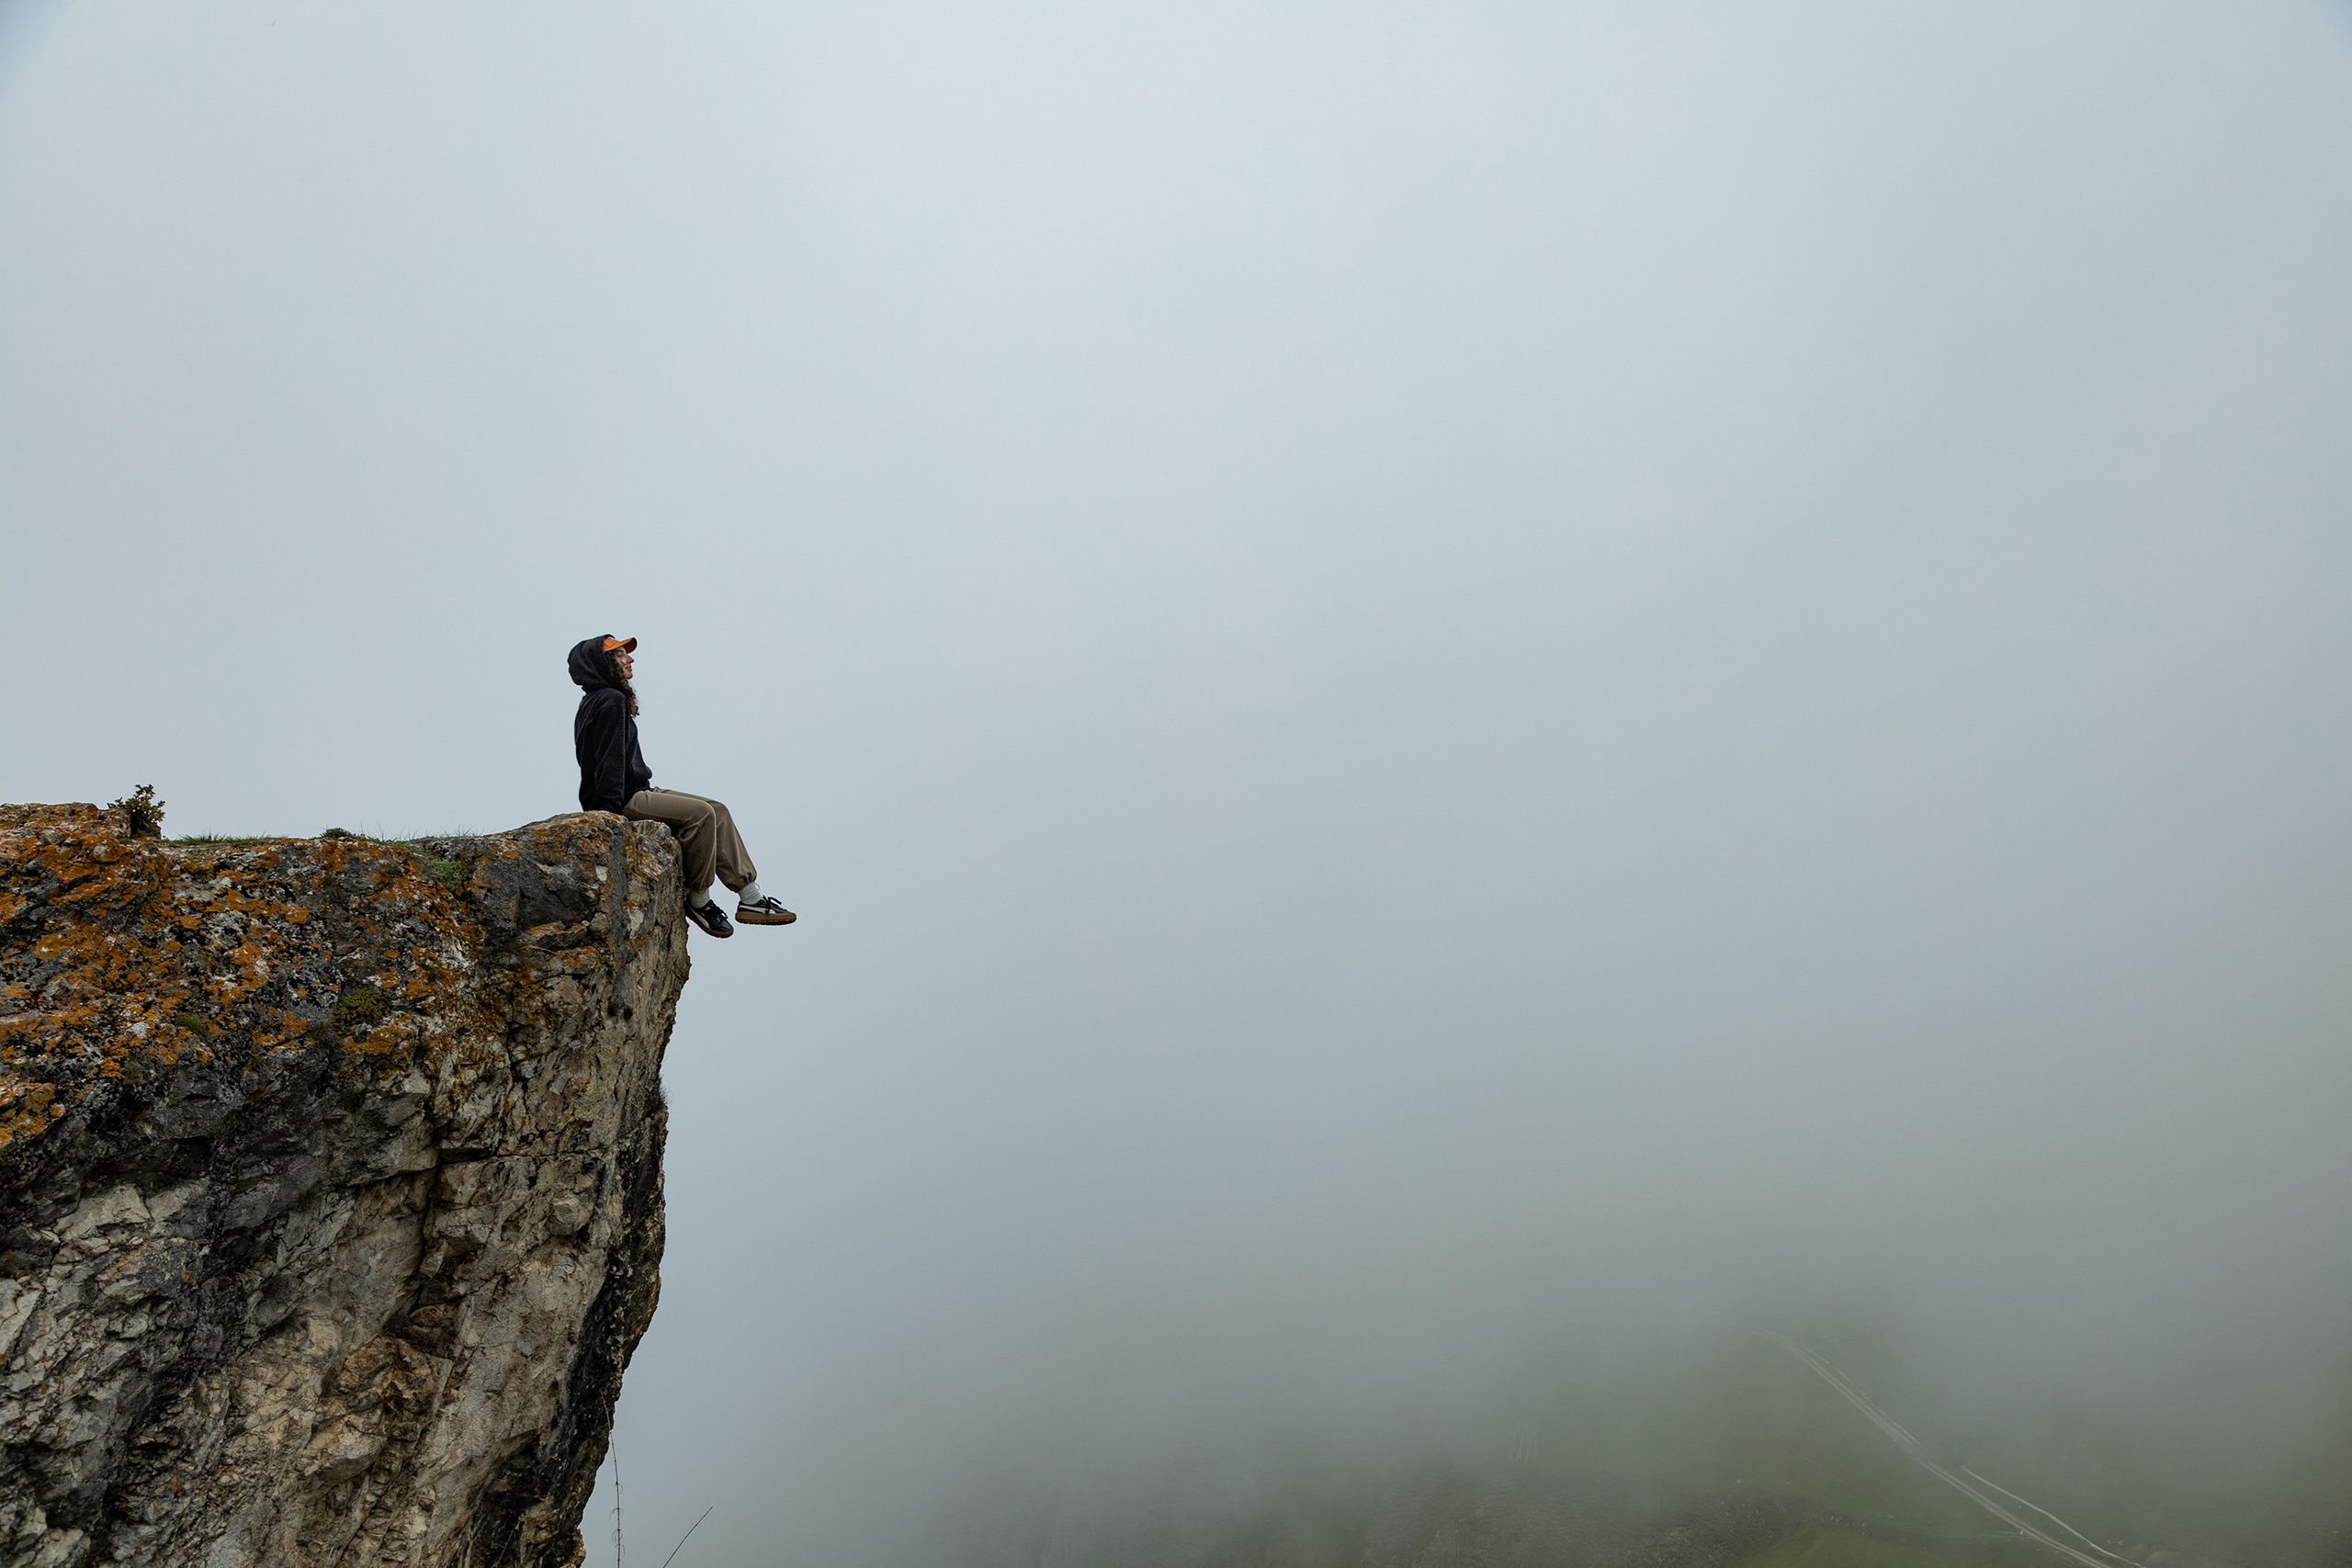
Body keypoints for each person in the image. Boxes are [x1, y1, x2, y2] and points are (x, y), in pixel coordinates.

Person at [568, 634, 795, 939]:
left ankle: (750, 896)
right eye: (620, 655)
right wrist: (611, 817)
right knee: (701, 815)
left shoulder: (600, 700)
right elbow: (607, 761)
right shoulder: (610, 700)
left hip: (635, 790)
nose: (629, 659)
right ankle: (698, 898)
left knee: (718, 809)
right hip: (621, 799)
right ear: (602, 664)